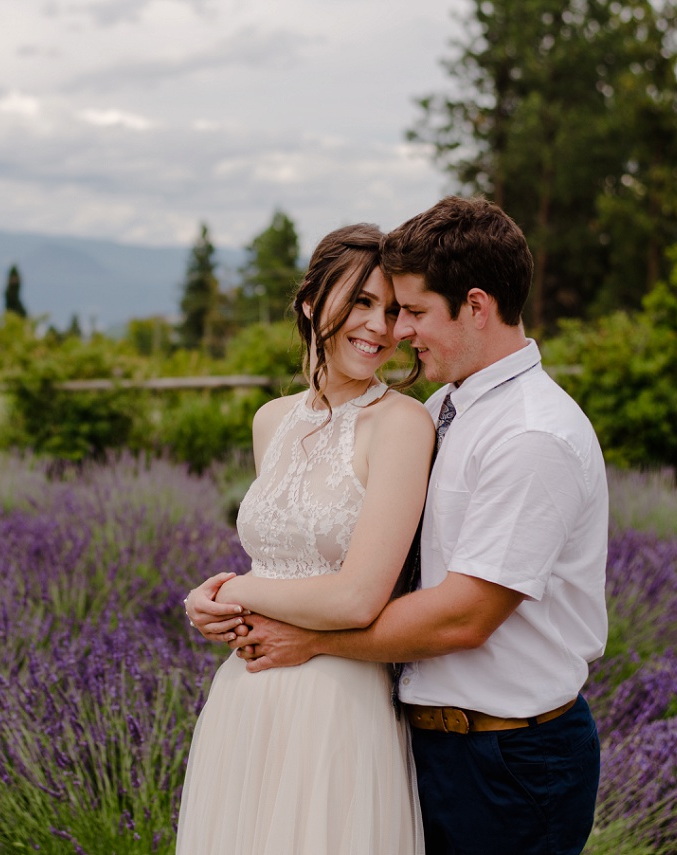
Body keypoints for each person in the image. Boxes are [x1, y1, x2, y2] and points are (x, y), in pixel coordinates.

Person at [190, 196, 609, 855]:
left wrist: (298, 633)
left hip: (508, 754)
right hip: (428, 736)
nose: (397, 331)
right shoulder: (447, 405)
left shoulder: (530, 434)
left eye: (410, 311)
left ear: (474, 306)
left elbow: (463, 616)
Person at [174, 223, 435, 855]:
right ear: (312, 302)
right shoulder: (271, 420)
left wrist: (231, 590)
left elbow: (357, 599)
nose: (378, 327)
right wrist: (211, 607)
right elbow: (281, 560)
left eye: (393, 310)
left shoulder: (402, 424)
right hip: (248, 694)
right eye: (360, 302)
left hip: (337, 704)